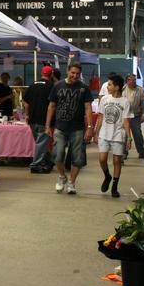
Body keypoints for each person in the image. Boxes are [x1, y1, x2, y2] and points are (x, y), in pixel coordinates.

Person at [45, 62, 94, 195]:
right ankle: (62, 177)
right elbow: (51, 106)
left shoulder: (84, 88)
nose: (75, 76)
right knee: (57, 155)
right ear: (67, 71)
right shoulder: (58, 86)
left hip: (77, 128)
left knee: (77, 158)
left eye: (77, 74)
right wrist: (47, 125)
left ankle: (71, 183)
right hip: (60, 127)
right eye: (72, 73)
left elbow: (88, 108)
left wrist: (90, 127)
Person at [94, 74, 132, 198]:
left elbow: (126, 121)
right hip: (104, 133)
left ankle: (115, 186)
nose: (107, 86)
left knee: (117, 161)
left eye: (110, 84)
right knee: (102, 159)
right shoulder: (105, 99)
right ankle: (107, 176)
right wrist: (96, 131)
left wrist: (129, 137)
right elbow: (100, 116)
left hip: (118, 135)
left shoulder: (125, 102)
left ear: (117, 87)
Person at [23, 66, 55, 174]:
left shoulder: (32, 85)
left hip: (32, 119)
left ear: (41, 73)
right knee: (41, 143)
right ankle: (35, 164)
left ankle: (49, 160)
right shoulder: (51, 86)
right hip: (44, 120)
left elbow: (26, 103)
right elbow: (53, 105)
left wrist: (27, 115)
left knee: (40, 142)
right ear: (51, 75)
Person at [122, 73, 144, 158]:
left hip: (135, 115)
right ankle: (124, 153)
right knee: (124, 135)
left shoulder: (140, 89)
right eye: (130, 79)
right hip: (124, 115)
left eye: (134, 80)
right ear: (127, 81)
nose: (133, 81)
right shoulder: (122, 89)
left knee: (137, 134)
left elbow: (143, 103)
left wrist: (143, 114)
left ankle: (141, 151)